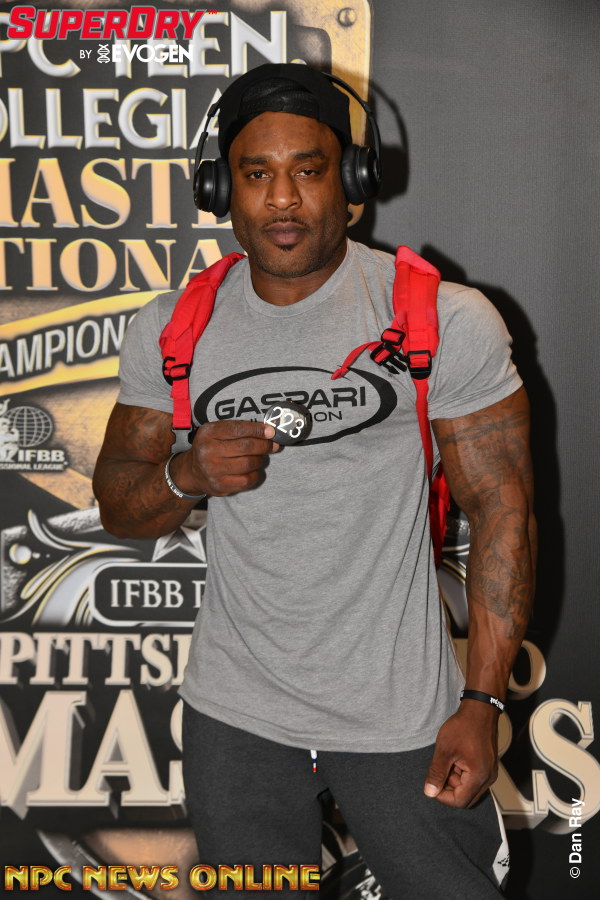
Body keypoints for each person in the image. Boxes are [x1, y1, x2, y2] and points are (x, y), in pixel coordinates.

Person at [93, 63, 536, 898]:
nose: (283, 199)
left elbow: (501, 512)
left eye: (309, 169)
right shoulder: (172, 327)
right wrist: (186, 474)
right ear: (221, 188)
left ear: (354, 182)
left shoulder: (442, 319)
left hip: (402, 713)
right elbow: (118, 503)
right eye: (256, 174)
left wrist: (482, 703)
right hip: (237, 717)